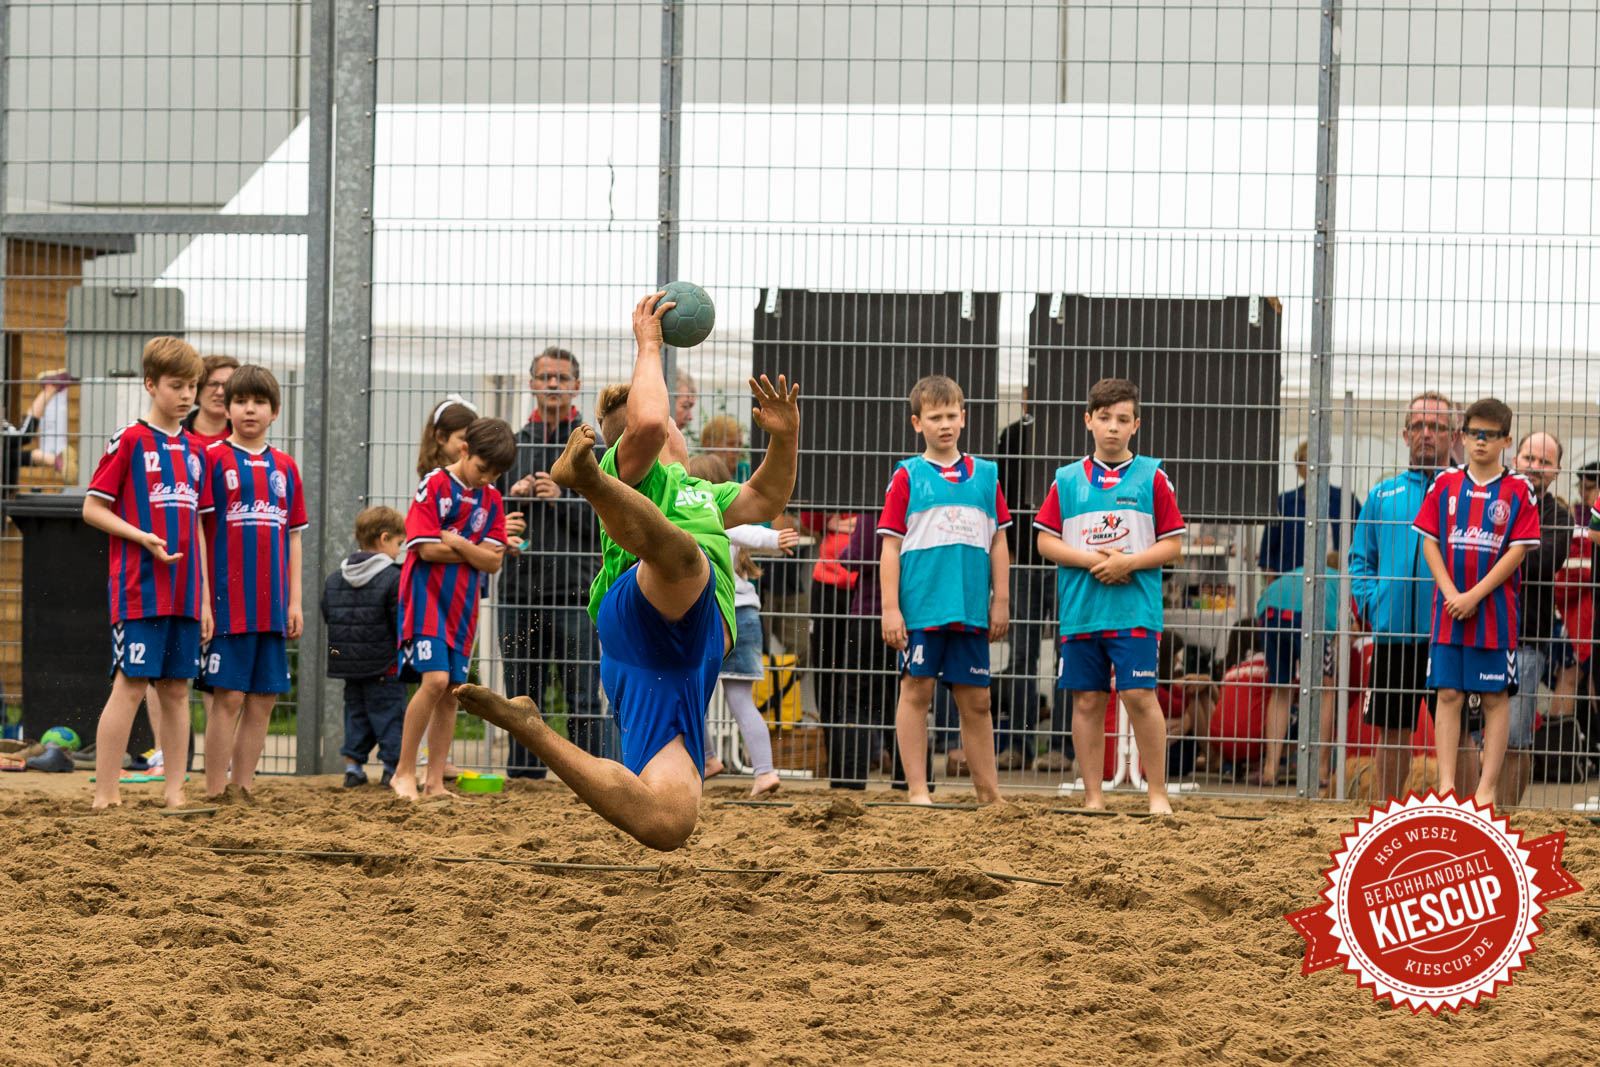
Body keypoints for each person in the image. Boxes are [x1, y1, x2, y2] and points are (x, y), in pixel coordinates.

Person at [455, 291, 800, 851]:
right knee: (688, 562)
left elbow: (765, 496)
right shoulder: (633, 464)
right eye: (672, 422)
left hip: (667, 671)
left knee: (666, 824)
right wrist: (649, 345)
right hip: (649, 611)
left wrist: (785, 438)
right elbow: (643, 423)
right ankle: (585, 482)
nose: (676, 426)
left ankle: (531, 727)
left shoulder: (704, 492)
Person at [1034, 377, 1183, 813]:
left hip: (1135, 609)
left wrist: (1128, 563)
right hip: (1082, 611)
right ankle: (1094, 797)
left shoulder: (1153, 476)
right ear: (1089, 421)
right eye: (1104, 418)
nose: (1113, 427)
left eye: (1122, 419)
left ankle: (1157, 794)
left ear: (1136, 424)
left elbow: (1172, 543)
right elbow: (1045, 541)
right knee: (1087, 701)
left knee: (1139, 697)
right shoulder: (1065, 480)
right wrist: (1091, 561)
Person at [82, 337, 211, 809]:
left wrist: (205, 599)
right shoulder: (130, 440)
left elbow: (197, 523)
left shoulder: (198, 450)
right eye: (176, 385)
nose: (186, 395)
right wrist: (140, 537)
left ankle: (175, 791)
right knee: (131, 684)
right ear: (150, 385)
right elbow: (92, 508)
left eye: (192, 386)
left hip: (184, 593)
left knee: (178, 690)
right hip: (139, 589)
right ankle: (106, 794)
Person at [878, 374, 1010, 806]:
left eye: (952, 414)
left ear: (964, 417)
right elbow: (890, 548)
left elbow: (999, 541)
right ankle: (918, 791)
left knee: (978, 702)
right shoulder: (906, 476)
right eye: (935, 417)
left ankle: (989, 796)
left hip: (971, 608)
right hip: (921, 610)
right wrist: (890, 608)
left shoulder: (987, 476)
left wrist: (1002, 600)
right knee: (916, 693)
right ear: (918, 423)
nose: (945, 424)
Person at [1415, 398, 1541, 806]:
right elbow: (1430, 542)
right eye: (1473, 434)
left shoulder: (1519, 489)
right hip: (1449, 612)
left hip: (1493, 616)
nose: (1480, 442)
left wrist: (1473, 595)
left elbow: (1517, 552)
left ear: (1506, 439)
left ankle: (1486, 791)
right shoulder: (1444, 484)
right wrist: (1452, 593)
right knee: (1448, 694)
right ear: (1462, 437)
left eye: (1490, 435)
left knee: (1493, 697)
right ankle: (1448, 787)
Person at [496, 346, 615, 777]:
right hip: (517, 590)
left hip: (576, 592)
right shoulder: (510, 446)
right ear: (531, 384)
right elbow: (490, 514)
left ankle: (592, 778)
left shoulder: (593, 449)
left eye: (561, 379)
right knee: (521, 697)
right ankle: (525, 779)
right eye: (545, 377)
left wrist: (562, 497)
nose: (552, 385)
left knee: (582, 696)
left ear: (576, 386)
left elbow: (610, 520)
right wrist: (514, 496)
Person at [196, 365, 307, 800]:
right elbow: (198, 534)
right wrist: (204, 599)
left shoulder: (285, 467)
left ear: (274, 411)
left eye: (259, 402)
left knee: (263, 699)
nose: (249, 409)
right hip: (229, 603)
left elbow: (294, 538)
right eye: (241, 401)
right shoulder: (212, 459)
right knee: (229, 698)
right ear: (228, 408)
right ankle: (213, 790)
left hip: (273, 605)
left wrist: (294, 602)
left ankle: (241, 789)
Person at [391, 417, 515, 799]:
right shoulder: (434, 484)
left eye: (495, 474)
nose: (486, 478)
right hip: (426, 600)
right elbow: (426, 548)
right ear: (464, 450)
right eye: (482, 468)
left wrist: (458, 542)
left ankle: (434, 782)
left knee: (452, 692)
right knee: (434, 682)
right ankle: (403, 773)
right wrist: (474, 551)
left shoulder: (492, 498)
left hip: (463, 607)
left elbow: (494, 562)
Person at [1349, 391, 1457, 802]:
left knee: (1460, 732)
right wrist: (1376, 606)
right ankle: (1388, 814)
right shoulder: (1382, 495)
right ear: (1404, 433)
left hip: (1449, 633)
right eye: (1418, 426)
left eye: (1437, 427)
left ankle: (1466, 818)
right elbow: (1361, 560)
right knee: (1392, 733)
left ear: (1454, 435)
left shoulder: (1463, 492)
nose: (1426, 434)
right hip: (1393, 636)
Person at [686, 452, 796, 796]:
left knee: (689, 692)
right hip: (738, 616)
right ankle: (751, 768)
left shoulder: (712, 517)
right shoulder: (718, 518)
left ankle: (721, 761)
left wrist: (774, 540)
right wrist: (774, 541)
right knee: (733, 698)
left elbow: (749, 532)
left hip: (722, 617)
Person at [993, 390, 1060, 771]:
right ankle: (1019, 744)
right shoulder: (1012, 436)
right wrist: (1009, 554)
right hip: (1021, 561)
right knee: (1021, 656)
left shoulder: (1069, 434)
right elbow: (1003, 494)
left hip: (1065, 562)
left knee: (1068, 654)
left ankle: (1062, 749)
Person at [1503, 430, 1570, 804]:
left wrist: (1495, 552)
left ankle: (1505, 817)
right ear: (1516, 459)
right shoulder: (1490, 499)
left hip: (1525, 638)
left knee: (1515, 737)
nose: (1534, 467)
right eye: (1529, 458)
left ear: (1557, 470)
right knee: (1469, 736)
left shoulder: (1557, 515)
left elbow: (1543, 564)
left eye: (1544, 462)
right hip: (1476, 634)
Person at [322, 505, 406, 787]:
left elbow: (328, 613)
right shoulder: (394, 577)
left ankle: (354, 768)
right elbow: (399, 621)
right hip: (385, 663)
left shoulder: (335, 578)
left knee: (355, 713)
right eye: (398, 544)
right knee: (390, 715)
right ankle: (391, 768)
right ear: (384, 539)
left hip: (348, 664)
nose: (398, 551)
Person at [1250, 556, 1343, 789]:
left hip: (1269, 611)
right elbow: (1347, 627)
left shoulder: (1299, 570)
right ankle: (1321, 770)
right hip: (1308, 614)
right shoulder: (1342, 580)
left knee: (1280, 689)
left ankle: (1270, 768)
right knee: (1325, 689)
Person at [1258, 439, 1360, 574]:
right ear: (1299, 467)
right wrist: (1275, 589)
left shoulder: (1346, 500)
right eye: (1307, 463)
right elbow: (1268, 553)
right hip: (1292, 581)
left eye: (1320, 461)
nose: (1314, 468)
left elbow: (1363, 540)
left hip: (1337, 581)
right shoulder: (1284, 503)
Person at [182, 355, 238, 450]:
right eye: (213, 384)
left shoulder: (245, 438)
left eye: (227, 385)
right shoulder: (175, 434)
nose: (220, 392)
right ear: (198, 388)